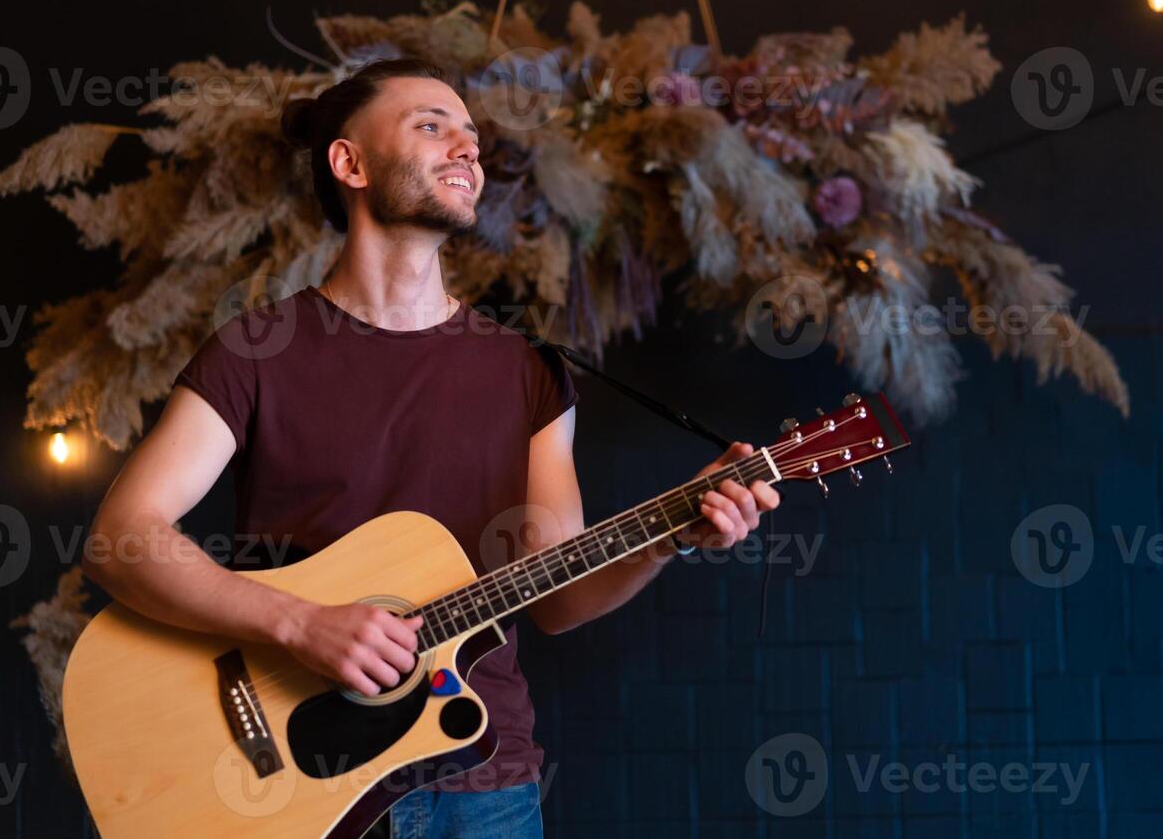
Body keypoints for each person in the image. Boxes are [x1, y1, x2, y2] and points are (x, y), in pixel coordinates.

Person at [82, 57, 781, 839]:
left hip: (482, 787)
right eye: (431, 126)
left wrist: (670, 538)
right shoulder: (256, 352)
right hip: (291, 792)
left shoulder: (529, 370)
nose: (467, 149)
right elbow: (121, 538)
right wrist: (299, 625)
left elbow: (556, 597)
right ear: (348, 163)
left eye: (472, 137)